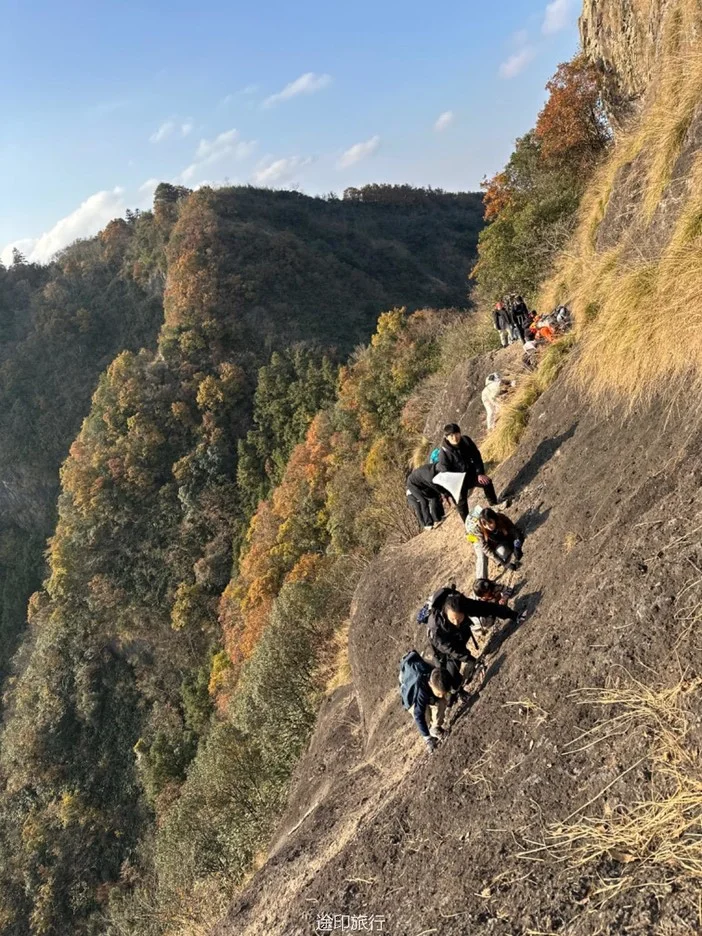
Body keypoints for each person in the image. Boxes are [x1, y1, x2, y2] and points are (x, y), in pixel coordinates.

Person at [427, 588, 519, 695]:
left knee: (461, 650)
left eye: (459, 619)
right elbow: (452, 650)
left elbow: (486, 608)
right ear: (445, 613)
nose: (456, 622)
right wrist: (473, 661)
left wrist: (513, 615)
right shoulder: (436, 628)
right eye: (453, 620)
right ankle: (457, 692)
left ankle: (458, 688)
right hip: (440, 647)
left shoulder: (463, 604)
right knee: (447, 673)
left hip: (458, 635)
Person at [434, 424, 499, 522]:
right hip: (457, 480)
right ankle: (468, 523)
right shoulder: (444, 453)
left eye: (456, 434)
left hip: (471, 473)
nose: (455, 437)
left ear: (460, 433)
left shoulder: (466, 441)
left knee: (487, 482)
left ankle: (494, 505)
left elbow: (476, 457)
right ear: (446, 437)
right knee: (461, 502)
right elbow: (445, 473)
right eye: (451, 435)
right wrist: (452, 490)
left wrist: (480, 473)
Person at [399, 651, 451, 752]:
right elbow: (418, 715)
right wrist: (427, 739)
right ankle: (429, 731)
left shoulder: (438, 675)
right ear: (431, 685)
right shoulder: (420, 691)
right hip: (412, 697)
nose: (442, 696)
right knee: (424, 715)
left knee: (442, 702)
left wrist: (443, 697)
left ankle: (435, 728)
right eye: (439, 693)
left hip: (427, 690)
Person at [466, 506, 524, 580]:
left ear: (494, 519)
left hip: (495, 540)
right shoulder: (480, 530)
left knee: (505, 551)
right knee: (482, 557)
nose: (488, 526)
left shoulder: (501, 518)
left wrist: (517, 546)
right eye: (485, 524)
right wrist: (504, 564)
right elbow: (486, 549)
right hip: (477, 539)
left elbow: (513, 530)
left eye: (490, 522)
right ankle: (481, 582)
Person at [406, 463, 445, 531]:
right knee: (423, 501)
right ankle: (428, 524)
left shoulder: (434, 466)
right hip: (412, 485)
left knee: (434, 497)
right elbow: (436, 487)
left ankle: (437, 518)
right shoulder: (429, 476)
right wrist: (444, 493)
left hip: (421, 483)